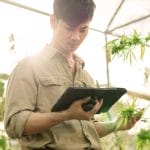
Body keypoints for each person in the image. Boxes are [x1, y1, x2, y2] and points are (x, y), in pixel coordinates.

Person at [4, 0, 141, 149]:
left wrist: (117, 125)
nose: (76, 37)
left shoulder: (86, 76)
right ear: (53, 21)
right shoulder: (29, 67)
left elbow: (86, 129)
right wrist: (65, 114)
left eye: (83, 29)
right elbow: (14, 124)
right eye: (69, 28)